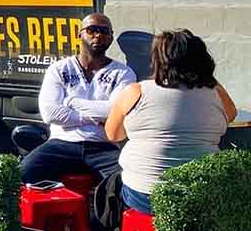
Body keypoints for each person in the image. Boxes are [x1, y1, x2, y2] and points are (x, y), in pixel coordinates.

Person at [105, 29, 237, 215]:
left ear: (158, 60)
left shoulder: (136, 91)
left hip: (145, 194)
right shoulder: (215, 94)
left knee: (110, 186)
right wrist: (205, 76)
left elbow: (113, 134)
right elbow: (231, 115)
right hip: (203, 193)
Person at [21, 13, 137, 184]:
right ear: (79, 34)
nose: (98, 35)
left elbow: (116, 111)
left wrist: (70, 103)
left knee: (129, 180)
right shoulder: (59, 69)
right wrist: (94, 118)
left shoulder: (123, 73)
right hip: (61, 143)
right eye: (92, 30)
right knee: (22, 173)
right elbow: (50, 114)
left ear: (111, 37)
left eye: (105, 32)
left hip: (103, 147)